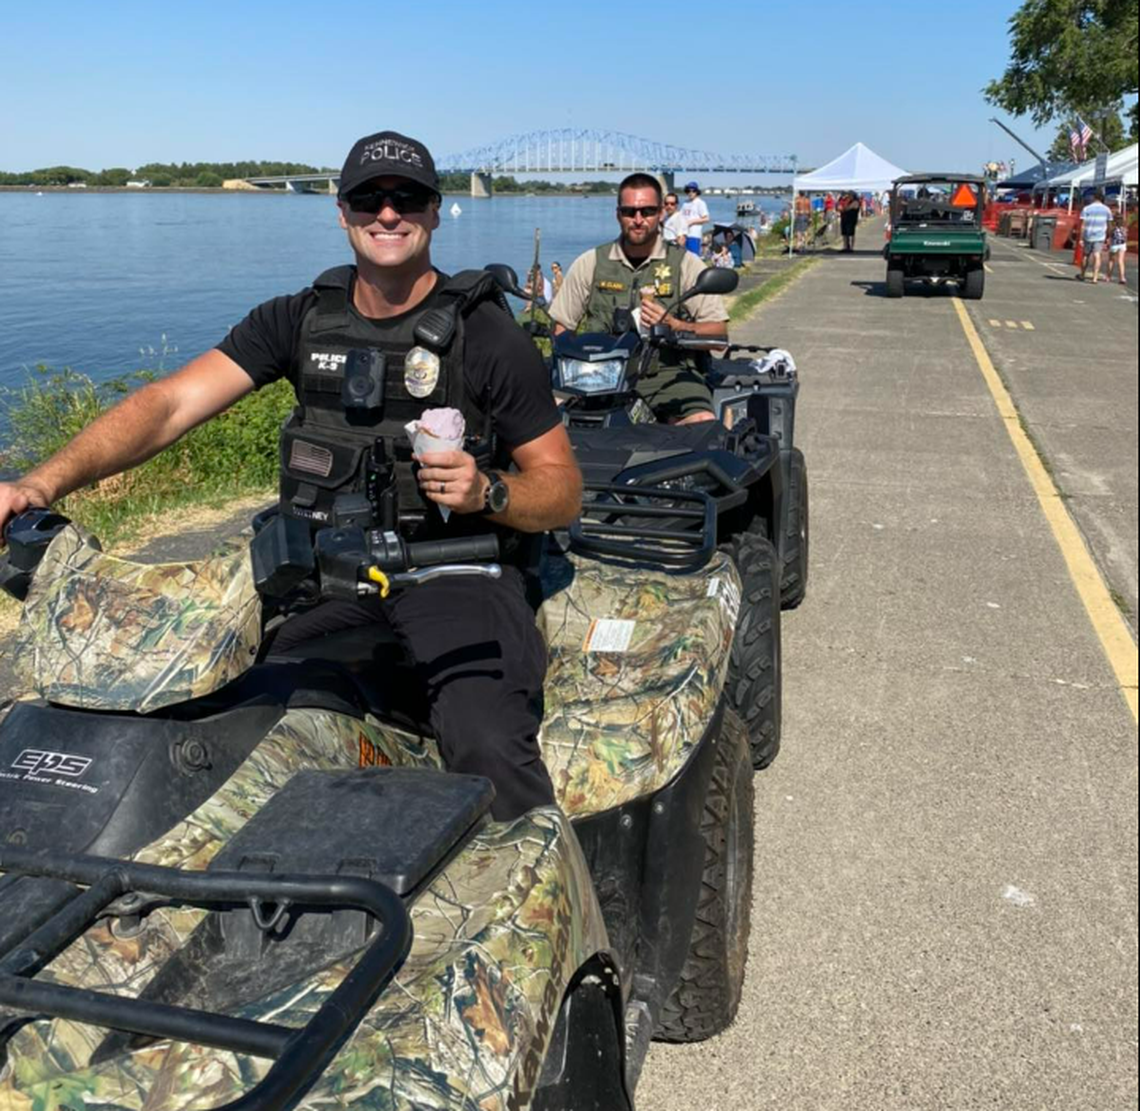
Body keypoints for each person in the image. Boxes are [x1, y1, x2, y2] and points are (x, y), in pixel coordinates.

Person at [0, 129, 583, 823]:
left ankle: (556, 910)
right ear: (342, 212)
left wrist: (491, 490)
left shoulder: (486, 334)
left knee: (488, 747)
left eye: (408, 197)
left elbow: (562, 487)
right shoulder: (302, 319)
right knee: (225, 719)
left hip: (455, 574)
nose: (387, 213)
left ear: (433, 211)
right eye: (369, 197)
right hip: (327, 580)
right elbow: (168, 406)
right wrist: (39, 485)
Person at [549, 172, 730, 425]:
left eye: (647, 211)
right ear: (617, 215)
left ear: (661, 214)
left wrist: (676, 326)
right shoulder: (591, 262)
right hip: (596, 374)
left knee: (702, 424)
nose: (638, 219)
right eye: (629, 211)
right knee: (541, 420)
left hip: (667, 375)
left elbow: (719, 335)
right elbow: (561, 328)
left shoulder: (685, 264)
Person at [1078, 191, 1113, 283]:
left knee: (1086, 255)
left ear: (1094, 198)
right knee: (1097, 255)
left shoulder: (1086, 209)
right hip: (1100, 235)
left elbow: (1083, 224)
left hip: (1088, 234)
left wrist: (1081, 237)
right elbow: (1109, 224)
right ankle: (1095, 277)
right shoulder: (1107, 209)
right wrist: (1109, 236)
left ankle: (1082, 274)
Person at [680, 181, 710, 255]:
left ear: (697, 192)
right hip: (684, 234)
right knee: (683, 255)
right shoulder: (685, 203)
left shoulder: (700, 203)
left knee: (693, 257)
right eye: (689, 190)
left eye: (693, 191)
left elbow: (706, 218)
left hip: (694, 235)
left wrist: (692, 221)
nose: (691, 193)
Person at [1107, 214, 1129, 285]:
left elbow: (1110, 235)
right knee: (1121, 261)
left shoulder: (1113, 227)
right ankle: (1122, 277)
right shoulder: (1124, 228)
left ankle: (1108, 276)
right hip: (1122, 244)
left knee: (1111, 260)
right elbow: (1125, 237)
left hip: (1114, 244)